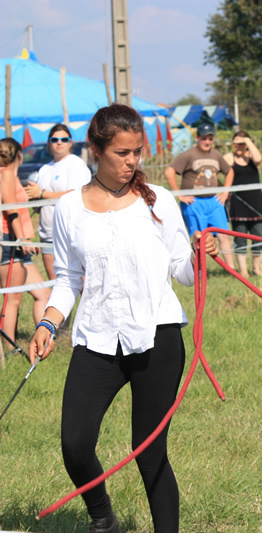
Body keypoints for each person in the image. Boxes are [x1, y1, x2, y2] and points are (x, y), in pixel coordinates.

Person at [28, 104, 219, 533]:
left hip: (158, 338)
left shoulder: (161, 202)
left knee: (149, 452)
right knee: (75, 444)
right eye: (122, 153)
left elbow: (184, 273)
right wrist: (47, 323)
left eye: (137, 152)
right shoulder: (68, 210)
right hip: (96, 339)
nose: (132, 162)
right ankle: (104, 518)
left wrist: (202, 258)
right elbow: (67, 279)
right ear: (95, 150)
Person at [24, 124, 92, 280]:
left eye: (64, 139)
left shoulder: (75, 164)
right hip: (48, 234)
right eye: (55, 139)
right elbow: (41, 199)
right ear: (49, 143)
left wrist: (42, 193)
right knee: (56, 287)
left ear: (70, 142)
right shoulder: (44, 169)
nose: (59, 142)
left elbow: (75, 195)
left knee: (84, 287)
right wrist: (34, 197)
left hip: (71, 234)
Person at [164, 123, 236, 270]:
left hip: (214, 202)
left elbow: (229, 172)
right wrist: (180, 195)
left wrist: (225, 192)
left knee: (224, 235)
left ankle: (231, 269)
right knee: (199, 240)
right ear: (197, 138)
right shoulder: (189, 155)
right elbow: (169, 172)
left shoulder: (216, 154)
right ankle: (199, 270)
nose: (207, 142)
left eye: (210, 138)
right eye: (204, 138)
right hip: (194, 203)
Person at [0, 138, 49, 344]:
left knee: (43, 293)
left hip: (19, 243)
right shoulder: (7, 174)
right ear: (19, 154)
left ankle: (45, 339)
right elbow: (11, 210)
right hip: (10, 241)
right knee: (13, 299)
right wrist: (21, 239)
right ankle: (9, 347)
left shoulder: (9, 175)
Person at [223, 131, 262, 277]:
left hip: (256, 203)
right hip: (238, 204)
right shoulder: (230, 158)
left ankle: (257, 269)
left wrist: (247, 141)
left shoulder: (251, 157)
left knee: (259, 235)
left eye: (241, 142)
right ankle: (243, 271)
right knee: (240, 238)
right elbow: (220, 167)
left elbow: (259, 158)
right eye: (236, 142)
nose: (238, 146)